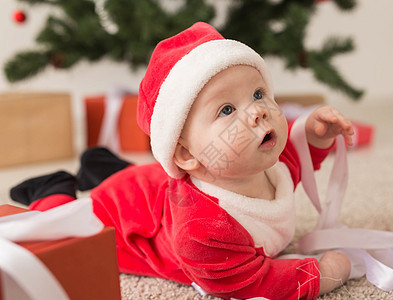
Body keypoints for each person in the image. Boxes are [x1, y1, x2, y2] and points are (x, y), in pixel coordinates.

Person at [10, 22, 353, 300]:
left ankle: (100, 164)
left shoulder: (261, 166)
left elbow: (292, 160)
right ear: (187, 154)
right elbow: (246, 281)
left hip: (156, 184)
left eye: (259, 93)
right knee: (63, 230)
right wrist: (318, 275)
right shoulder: (201, 229)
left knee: (146, 179)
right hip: (116, 208)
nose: (258, 112)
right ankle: (55, 184)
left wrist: (315, 135)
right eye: (227, 110)